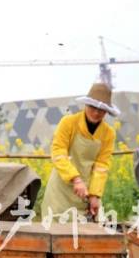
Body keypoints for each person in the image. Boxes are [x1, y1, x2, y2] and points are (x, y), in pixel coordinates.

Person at [41, 82, 119, 219]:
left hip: (86, 192)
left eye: (101, 110)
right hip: (61, 190)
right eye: (92, 107)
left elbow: (102, 165)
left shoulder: (108, 133)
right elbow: (58, 152)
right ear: (86, 105)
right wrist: (76, 179)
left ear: (106, 111)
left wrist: (95, 195)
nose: (96, 112)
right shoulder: (68, 122)